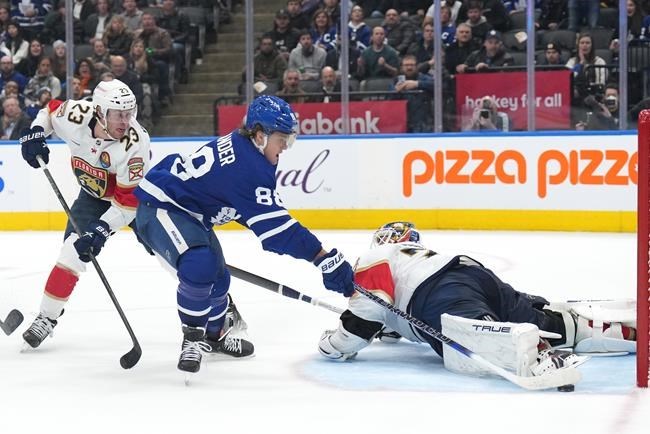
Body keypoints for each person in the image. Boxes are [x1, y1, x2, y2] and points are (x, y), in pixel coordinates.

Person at [134, 95, 354, 375]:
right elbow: (278, 233)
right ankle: (193, 339)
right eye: (282, 140)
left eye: (289, 140)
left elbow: (241, 204)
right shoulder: (249, 167)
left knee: (219, 279)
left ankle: (215, 337)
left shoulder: (245, 147)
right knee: (199, 266)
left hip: (190, 212)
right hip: (163, 208)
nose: (285, 148)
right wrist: (323, 258)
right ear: (260, 136)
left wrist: (263, 222)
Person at [318, 222, 637, 380]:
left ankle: (540, 354)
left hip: (436, 293)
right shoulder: (414, 257)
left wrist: (333, 345)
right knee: (542, 322)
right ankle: (612, 331)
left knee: (483, 340)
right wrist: (389, 329)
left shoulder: (374, 256)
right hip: (470, 273)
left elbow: (368, 312)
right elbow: (387, 315)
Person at [18, 79, 151, 349]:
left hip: (138, 199)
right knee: (72, 252)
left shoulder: (135, 144)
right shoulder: (76, 115)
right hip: (93, 196)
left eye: (129, 114)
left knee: (169, 252)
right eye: (118, 115)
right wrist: (35, 133)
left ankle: (219, 311)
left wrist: (102, 229)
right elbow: (49, 112)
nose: (125, 122)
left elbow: (127, 204)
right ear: (100, 111)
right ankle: (47, 317)